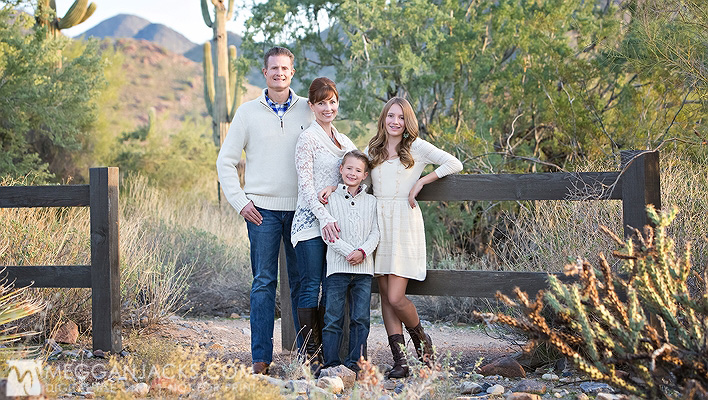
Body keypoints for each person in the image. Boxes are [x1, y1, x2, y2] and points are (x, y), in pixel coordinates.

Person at [216, 46, 313, 375]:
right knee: (263, 283)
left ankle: (304, 356)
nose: (279, 73)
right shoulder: (247, 113)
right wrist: (241, 201)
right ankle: (261, 359)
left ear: (292, 72)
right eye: (274, 68)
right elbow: (225, 162)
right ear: (265, 72)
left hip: (302, 212)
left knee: (303, 283)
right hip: (262, 213)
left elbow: (330, 147)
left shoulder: (308, 110)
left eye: (285, 68)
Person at [369, 97, 462, 378]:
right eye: (390, 116)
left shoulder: (416, 148)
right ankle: (400, 361)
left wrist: (422, 180)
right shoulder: (372, 149)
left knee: (397, 297)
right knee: (385, 296)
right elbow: (357, 177)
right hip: (377, 222)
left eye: (400, 117)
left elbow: (453, 163)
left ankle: (423, 343)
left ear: (407, 121)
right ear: (383, 119)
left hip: (403, 221)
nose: (395, 122)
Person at [291, 77, 357, 374]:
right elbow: (306, 188)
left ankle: (330, 354)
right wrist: (324, 216)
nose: (327, 108)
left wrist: (333, 185)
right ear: (312, 106)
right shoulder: (308, 139)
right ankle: (310, 355)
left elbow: (358, 171)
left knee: (332, 290)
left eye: (332, 102)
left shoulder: (343, 141)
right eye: (321, 103)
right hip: (310, 224)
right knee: (310, 287)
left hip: (335, 228)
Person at [320, 150, 379, 375]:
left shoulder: (372, 201)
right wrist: (348, 252)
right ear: (341, 170)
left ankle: (356, 363)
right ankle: (331, 364)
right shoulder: (330, 199)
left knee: (360, 318)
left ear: (365, 175)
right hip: (337, 268)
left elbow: (376, 232)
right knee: (333, 318)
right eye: (349, 168)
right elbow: (328, 233)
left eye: (358, 170)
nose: (352, 173)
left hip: (364, 270)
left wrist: (362, 252)